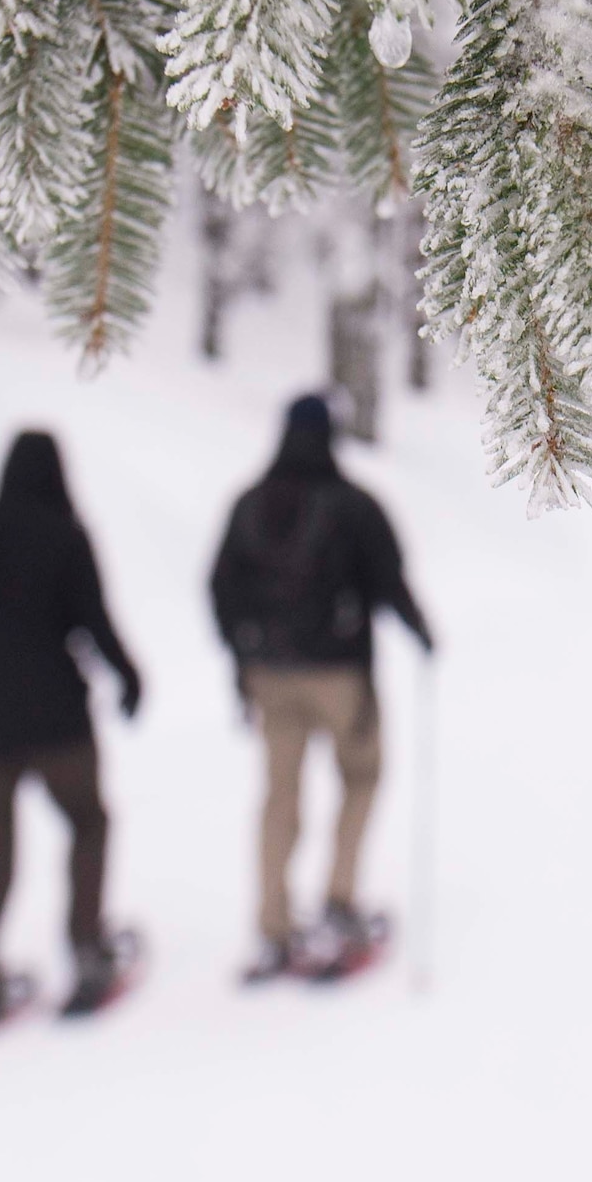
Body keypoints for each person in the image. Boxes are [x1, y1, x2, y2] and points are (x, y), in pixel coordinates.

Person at [0, 431, 143, 1037]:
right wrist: (128, 678)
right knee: (88, 823)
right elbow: (96, 621)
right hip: (58, 721)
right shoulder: (66, 538)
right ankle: (88, 951)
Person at [210, 394, 433, 982]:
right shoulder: (353, 506)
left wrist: (240, 657)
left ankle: (274, 925)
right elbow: (388, 580)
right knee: (361, 776)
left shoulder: (249, 504)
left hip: (268, 675)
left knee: (279, 796)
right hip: (339, 675)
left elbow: (220, 587)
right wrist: (420, 631)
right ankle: (339, 900)